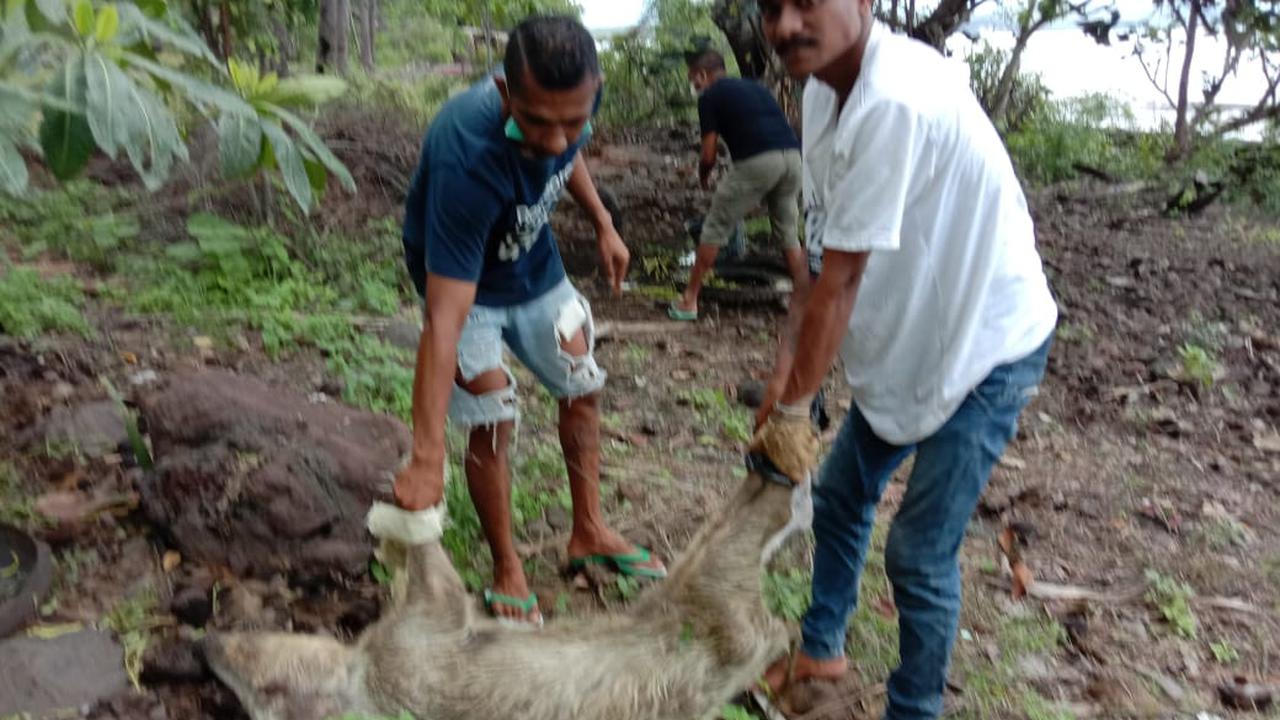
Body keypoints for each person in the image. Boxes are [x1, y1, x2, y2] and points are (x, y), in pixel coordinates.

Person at [747, 0, 1059, 717]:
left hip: (985, 349)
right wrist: (784, 375)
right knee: (841, 495)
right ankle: (820, 649)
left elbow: (845, 280)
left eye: (806, 3)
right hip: (916, 343)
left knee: (918, 552)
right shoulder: (826, 85)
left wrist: (796, 410)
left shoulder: (894, 98)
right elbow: (824, 261)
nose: (786, 24)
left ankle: (914, 709)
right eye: (771, 7)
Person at [396, 14, 666, 627]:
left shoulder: (563, 107)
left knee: (582, 384)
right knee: (492, 417)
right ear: (504, 93)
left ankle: (589, 530)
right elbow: (444, 318)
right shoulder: (468, 153)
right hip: (465, 285)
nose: (553, 138)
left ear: (593, 91)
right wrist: (425, 452)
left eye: (574, 120)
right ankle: (506, 566)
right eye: (536, 122)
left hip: (534, 268)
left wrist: (602, 221)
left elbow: (566, 155)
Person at [667, 50, 810, 322]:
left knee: (714, 227)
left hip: (758, 162)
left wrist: (703, 175)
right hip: (793, 158)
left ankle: (689, 300)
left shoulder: (709, 97)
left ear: (702, 75)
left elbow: (708, 154)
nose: (694, 86)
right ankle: (806, 300)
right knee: (788, 233)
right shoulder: (755, 88)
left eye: (693, 80)